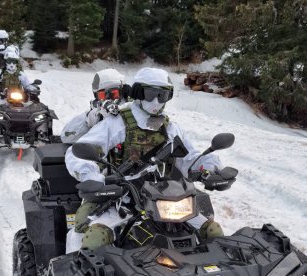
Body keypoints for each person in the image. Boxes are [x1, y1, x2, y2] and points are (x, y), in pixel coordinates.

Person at [64, 67, 225, 253]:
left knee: (212, 231)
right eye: (151, 94)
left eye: (162, 95)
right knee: (92, 237)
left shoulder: (171, 128)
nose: (156, 101)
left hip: (164, 200)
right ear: (138, 93)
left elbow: (190, 157)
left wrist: (210, 169)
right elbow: (79, 151)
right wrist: (91, 176)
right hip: (119, 198)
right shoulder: (117, 123)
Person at [61, 68, 128, 144]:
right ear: (96, 96)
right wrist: (90, 119)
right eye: (102, 95)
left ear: (123, 92)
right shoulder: (97, 113)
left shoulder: (132, 109)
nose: (108, 99)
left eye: (114, 93)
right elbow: (66, 137)